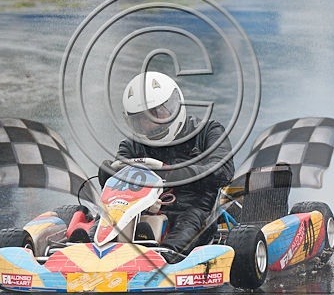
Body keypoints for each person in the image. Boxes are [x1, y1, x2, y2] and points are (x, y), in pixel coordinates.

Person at [99, 71, 234, 259]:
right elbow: (119, 178)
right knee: (108, 215)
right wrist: (109, 172)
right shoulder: (132, 145)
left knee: (190, 221)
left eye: (154, 114)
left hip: (194, 209)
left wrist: (175, 173)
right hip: (141, 209)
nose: (148, 124)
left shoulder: (207, 131)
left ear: (173, 106)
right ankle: (87, 247)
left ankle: (166, 258)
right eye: (140, 119)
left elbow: (223, 170)